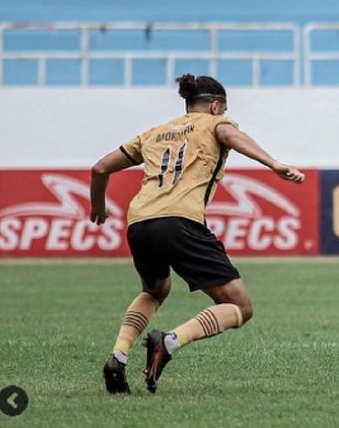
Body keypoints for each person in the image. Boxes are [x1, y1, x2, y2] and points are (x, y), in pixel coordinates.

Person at [91, 74, 304, 394]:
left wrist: (99, 206)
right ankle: (170, 342)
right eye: (224, 110)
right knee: (240, 307)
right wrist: (272, 163)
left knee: (155, 290)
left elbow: (100, 168)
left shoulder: (154, 132)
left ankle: (118, 356)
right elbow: (231, 135)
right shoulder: (213, 123)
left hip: (139, 223)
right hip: (180, 221)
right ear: (215, 106)